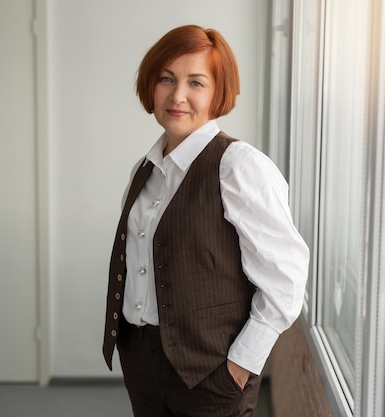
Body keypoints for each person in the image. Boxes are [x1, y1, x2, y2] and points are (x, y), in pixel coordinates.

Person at [102, 25, 309, 417]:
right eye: (166, 79)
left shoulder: (238, 165)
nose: (177, 95)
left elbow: (286, 280)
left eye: (196, 82)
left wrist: (240, 366)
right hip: (141, 362)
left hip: (212, 373)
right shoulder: (144, 169)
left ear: (218, 92)